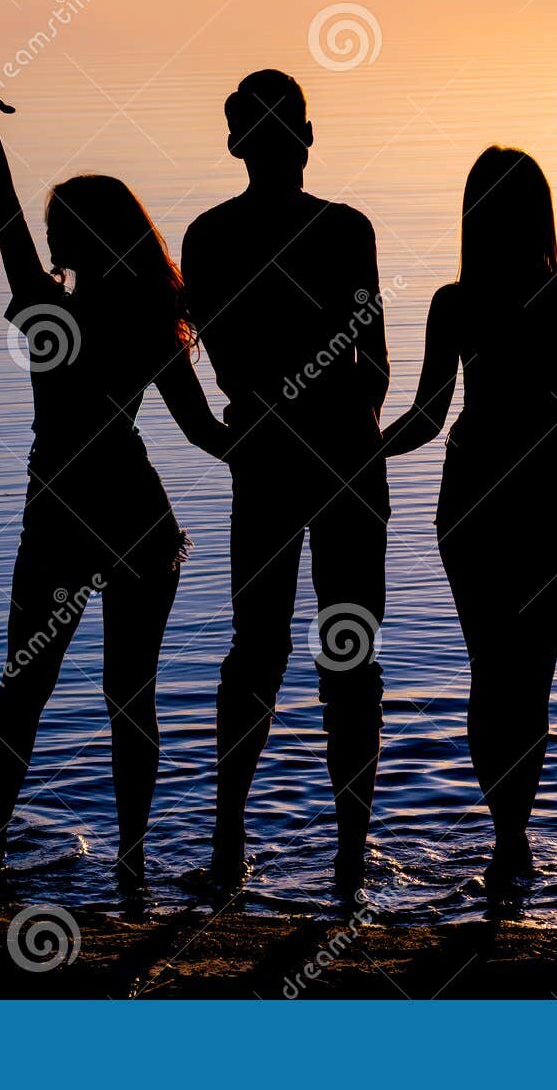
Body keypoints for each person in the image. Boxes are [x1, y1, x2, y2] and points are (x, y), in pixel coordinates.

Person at [0, 73, 236, 891]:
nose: (43, 237)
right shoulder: (152, 319)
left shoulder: (47, 312)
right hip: (137, 518)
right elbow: (204, 433)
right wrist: (281, 446)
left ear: (68, 240)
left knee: (21, 696)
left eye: (55, 229)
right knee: (132, 701)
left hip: (58, 518)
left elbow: (1, 212)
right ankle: (131, 864)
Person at [382, 147, 557, 889]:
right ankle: (512, 838)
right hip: (556, 504)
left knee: (492, 672)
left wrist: (361, 456)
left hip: (473, 504)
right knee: (529, 678)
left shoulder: (456, 302)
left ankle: (507, 837)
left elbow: (427, 420)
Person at [182, 70, 390, 895]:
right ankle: (349, 854)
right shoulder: (347, 230)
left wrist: (270, 412)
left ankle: (229, 845)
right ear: (306, 137)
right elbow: (371, 367)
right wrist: (337, 408)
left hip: (265, 457)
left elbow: (228, 362)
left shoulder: (207, 237)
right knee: (348, 656)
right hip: (342, 455)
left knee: (257, 651)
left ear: (237, 144)